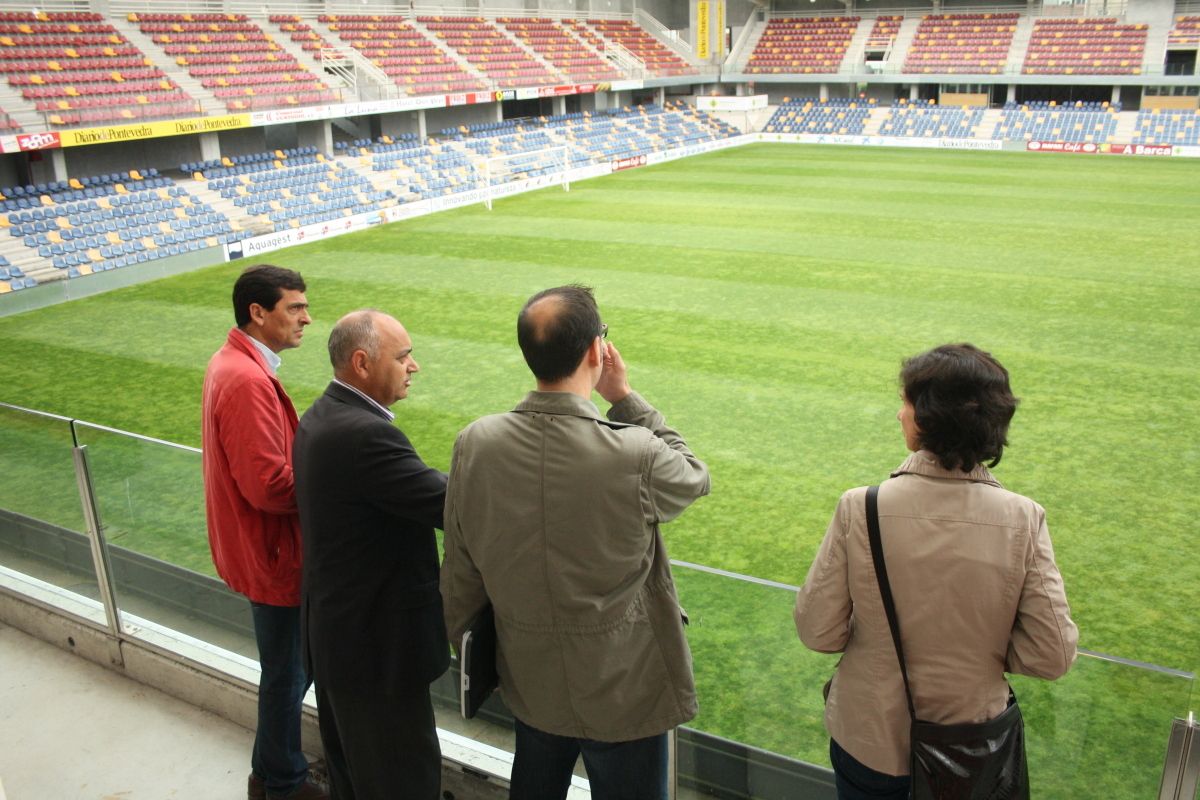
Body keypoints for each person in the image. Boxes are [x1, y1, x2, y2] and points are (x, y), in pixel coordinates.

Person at [441, 285, 711, 800]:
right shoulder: (634, 451)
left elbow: (460, 571)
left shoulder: (476, 442)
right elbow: (694, 476)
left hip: (529, 677)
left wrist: (473, 651)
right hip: (625, 687)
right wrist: (626, 398)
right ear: (597, 351)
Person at [794, 343, 1078, 800]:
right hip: (972, 746)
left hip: (871, 741)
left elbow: (816, 632)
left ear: (926, 417)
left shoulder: (861, 507)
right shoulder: (1024, 518)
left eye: (906, 402)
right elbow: (1052, 656)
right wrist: (979, 651)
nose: (899, 414)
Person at [292, 309, 449, 800]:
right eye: (403, 357)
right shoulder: (365, 435)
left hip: (342, 641)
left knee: (355, 777)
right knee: (401, 780)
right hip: (377, 653)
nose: (414, 366)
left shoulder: (321, 415)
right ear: (361, 363)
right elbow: (453, 504)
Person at [201, 265, 327, 800]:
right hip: (273, 554)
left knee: (287, 671)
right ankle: (280, 781)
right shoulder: (248, 378)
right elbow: (269, 488)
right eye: (295, 307)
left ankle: (271, 773)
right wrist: (334, 476)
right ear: (258, 312)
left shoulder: (232, 363)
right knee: (287, 675)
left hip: (257, 548)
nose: (307, 318)